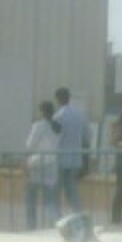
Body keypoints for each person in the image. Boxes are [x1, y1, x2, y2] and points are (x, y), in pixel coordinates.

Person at [24, 100, 61, 230]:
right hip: (52, 164)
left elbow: (30, 145)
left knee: (31, 200)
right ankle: (57, 225)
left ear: (42, 112)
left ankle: (31, 227)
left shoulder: (38, 126)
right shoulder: (58, 127)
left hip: (37, 164)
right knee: (51, 200)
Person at [53, 87, 88, 214]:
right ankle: (78, 213)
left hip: (61, 158)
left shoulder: (58, 116)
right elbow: (87, 136)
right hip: (75, 158)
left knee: (56, 189)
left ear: (57, 99)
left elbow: (54, 138)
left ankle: (56, 217)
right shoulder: (80, 114)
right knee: (71, 189)